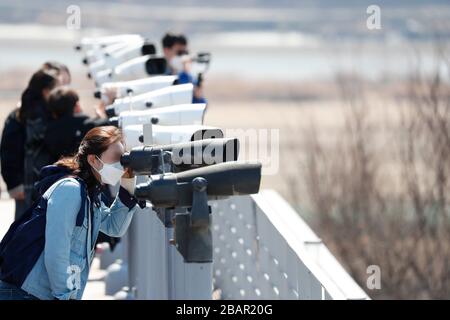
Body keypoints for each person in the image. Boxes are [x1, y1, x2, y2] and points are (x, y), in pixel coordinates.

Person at [0, 126, 139, 300]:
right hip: (25, 293)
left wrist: (128, 181)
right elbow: (57, 251)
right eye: (116, 159)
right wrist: (64, 296)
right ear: (93, 160)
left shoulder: (90, 194)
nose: (120, 166)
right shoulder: (70, 190)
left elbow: (114, 227)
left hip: (43, 294)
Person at [0, 64, 64, 219]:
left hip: (46, 187)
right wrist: (15, 184)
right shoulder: (19, 116)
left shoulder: (52, 114)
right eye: (58, 88)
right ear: (46, 91)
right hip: (25, 189)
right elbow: (8, 151)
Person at [161, 32, 206, 104]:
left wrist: (198, 94)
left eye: (185, 53)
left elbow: (201, 106)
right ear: (166, 50)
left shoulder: (188, 75)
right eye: (179, 52)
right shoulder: (157, 74)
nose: (183, 57)